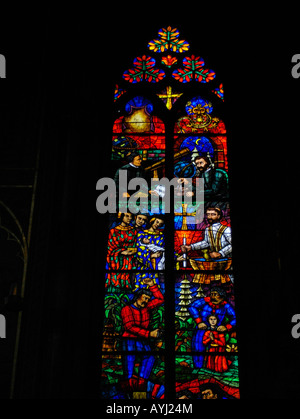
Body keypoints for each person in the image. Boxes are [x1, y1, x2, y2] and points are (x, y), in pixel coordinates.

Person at [121, 278, 164, 394]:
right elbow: (129, 327)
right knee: (129, 361)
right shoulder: (127, 309)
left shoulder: (147, 308)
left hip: (142, 339)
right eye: (145, 298)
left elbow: (160, 299)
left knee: (150, 357)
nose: (146, 301)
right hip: (129, 339)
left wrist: (152, 285)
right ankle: (129, 388)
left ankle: (141, 382)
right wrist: (149, 333)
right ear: (137, 297)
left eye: (148, 299)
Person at [188, 287, 236, 368]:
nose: (212, 297)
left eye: (215, 294)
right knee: (198, 347)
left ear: (222, 296)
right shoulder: (205, 301)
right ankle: (198, 367)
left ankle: (215, 367)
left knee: (217, 350)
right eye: (211, 294)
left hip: (217, 331)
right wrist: (199, 322)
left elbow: (234, 317)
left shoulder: (226, 305)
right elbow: (192, 307)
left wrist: (227, 327)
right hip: (202, 329)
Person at [105, 212, 137, 290]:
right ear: (121, 217)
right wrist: (121, 252)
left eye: (131, 216)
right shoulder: (113, 231)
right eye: (127, 216)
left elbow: (136, 244)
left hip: (130, 259)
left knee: (127, 280)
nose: (130, 218)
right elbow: (110, 246)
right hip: (116, 260)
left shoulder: (133, 231)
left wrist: (134, 251)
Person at [134, 216, 165, 290]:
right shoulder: (142, 234)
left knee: (154, 286)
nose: (157, 225)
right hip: (143, 265)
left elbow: (165, 249)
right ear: (152, 221)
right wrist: (151, 255)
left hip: (155, 265)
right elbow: (138, 247)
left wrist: (176, 257)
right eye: (157, 222)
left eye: (160, 224)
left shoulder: (161, 236)